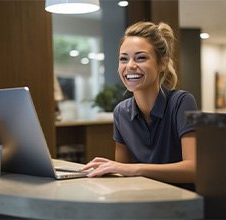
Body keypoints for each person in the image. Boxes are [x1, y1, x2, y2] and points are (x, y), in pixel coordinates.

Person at [81, 21, 198, 190]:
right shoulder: (121, 112)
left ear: (162, 63)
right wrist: (107, 170)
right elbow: (123, 173)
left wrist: (134, 168)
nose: (130, 66)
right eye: (123, 59)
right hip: (140, 201)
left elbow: (193, 169)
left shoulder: (181, 102)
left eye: (141, 57)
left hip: (180, 204)